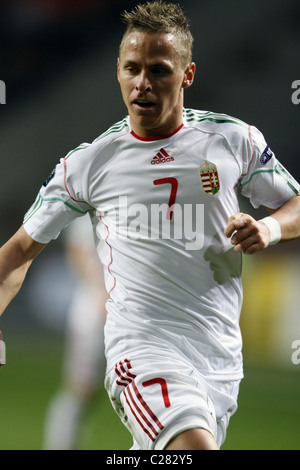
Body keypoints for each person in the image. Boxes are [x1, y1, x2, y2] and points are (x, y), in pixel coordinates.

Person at [1, 1, 300, 450]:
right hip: (140, 353)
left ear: (187, 75)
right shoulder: (89, 164)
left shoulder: (233, 140)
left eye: (159, 70)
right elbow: (19, 251)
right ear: (118, 72)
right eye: (131, 68)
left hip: (218, 359)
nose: (143, 83)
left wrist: (270, 229)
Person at [43, 215, 107, 450]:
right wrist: (99, 292)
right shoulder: (93, 191)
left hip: (130, 311)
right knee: (81, 390)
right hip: (93, 312)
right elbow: (77, 249)